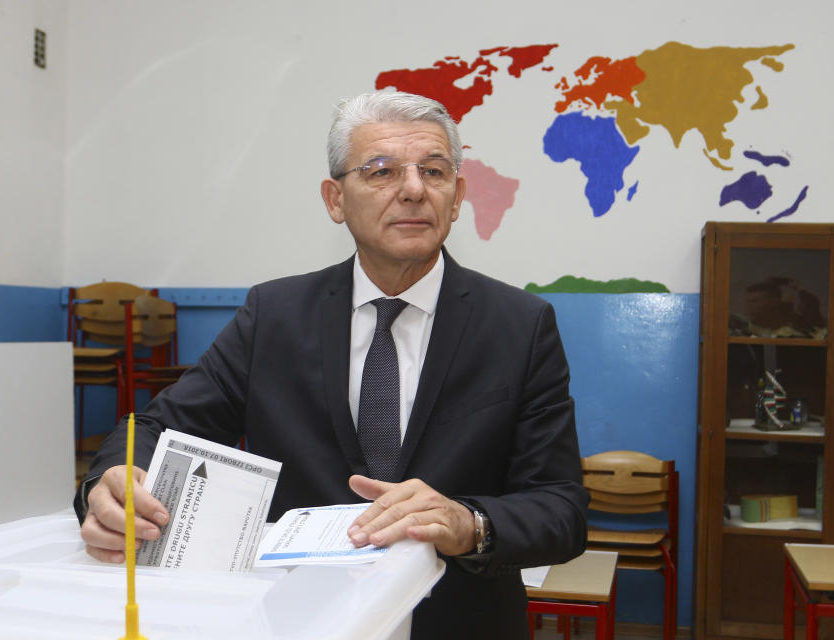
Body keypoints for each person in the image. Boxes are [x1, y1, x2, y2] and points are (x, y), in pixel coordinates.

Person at [74, 90, 588, 639]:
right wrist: (108, 485)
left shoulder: (520, 324)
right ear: (335, 199)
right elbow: (151, 429)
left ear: (457, 196)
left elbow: (560, 508)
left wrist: (470, 522)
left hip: (458, 618)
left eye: (433, 171)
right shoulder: (273, 316)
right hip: (299, 619)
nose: (413, 190)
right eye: (382, 171)